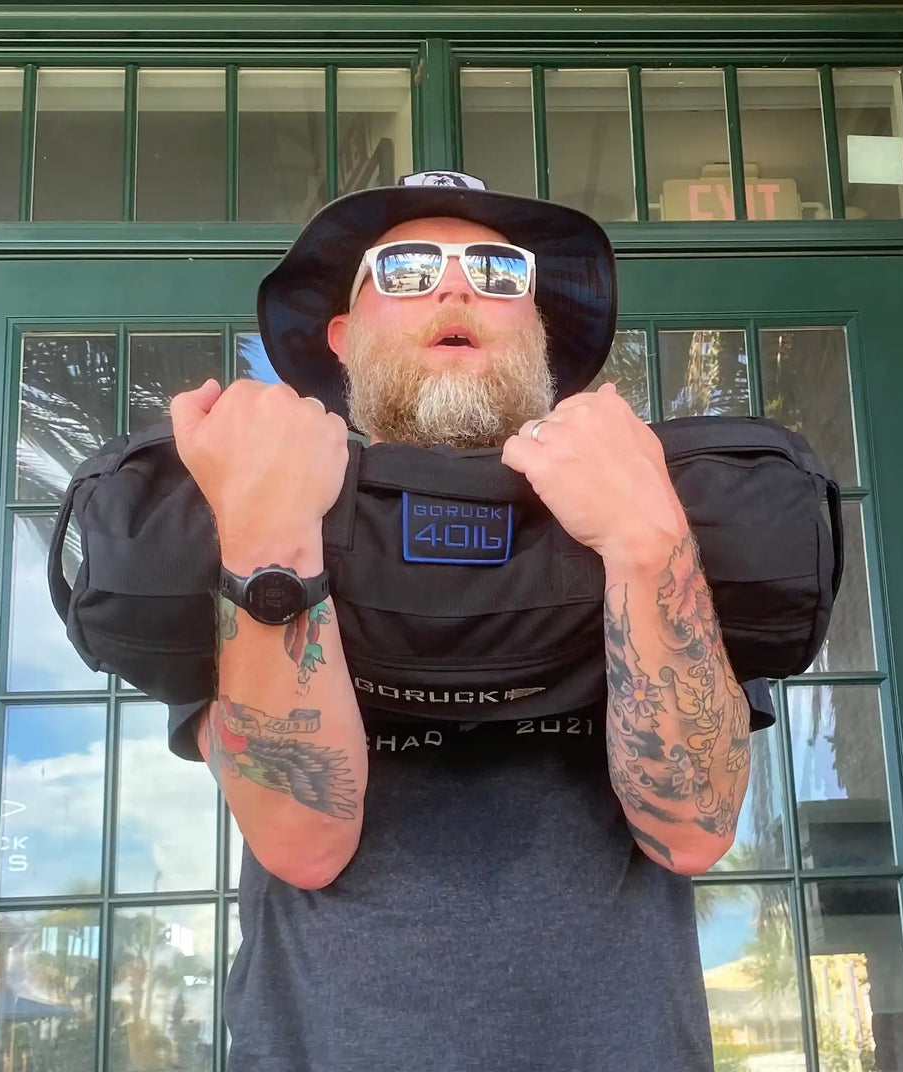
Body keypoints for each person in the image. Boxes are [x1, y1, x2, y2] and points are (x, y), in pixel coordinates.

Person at [166, 171, 755, 1072]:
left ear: (540, 330)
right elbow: (303, 841)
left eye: (497, 269)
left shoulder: (655, 499)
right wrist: (271, 537)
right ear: (344, 336)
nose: (455, 286)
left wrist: (646, 543)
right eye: (403, 268)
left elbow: (692, 827)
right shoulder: (235, 513)